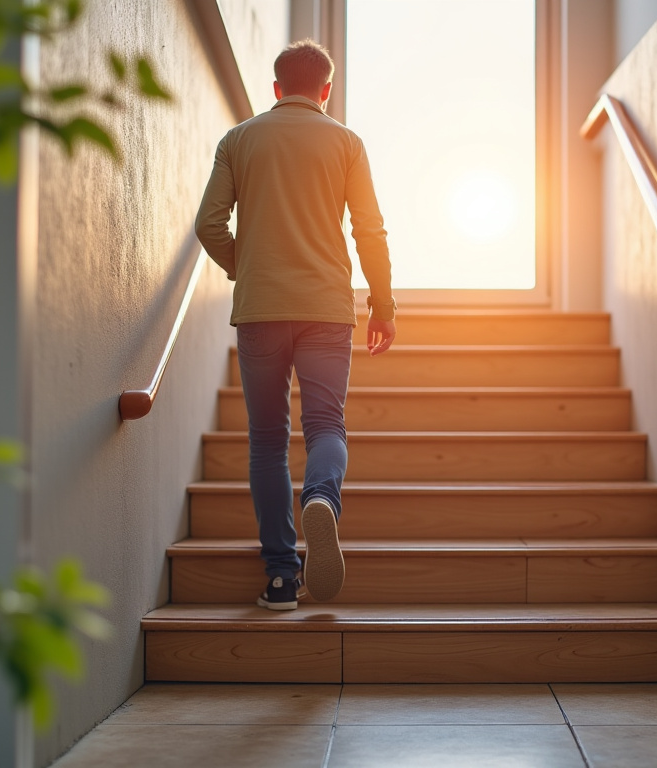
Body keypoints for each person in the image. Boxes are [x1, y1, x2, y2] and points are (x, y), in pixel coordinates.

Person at [196, 39, 396, 611]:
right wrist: (383, 306)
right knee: (326, 425)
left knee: (266, 440)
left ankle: (282, 576)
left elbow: (209, 224)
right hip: (327, 308)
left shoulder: (238, 139)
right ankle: (323, 503)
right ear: (326, 90)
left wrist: (249, 267)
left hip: (261, 308)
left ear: (277, 88)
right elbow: (370, 231)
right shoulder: (346, 142)